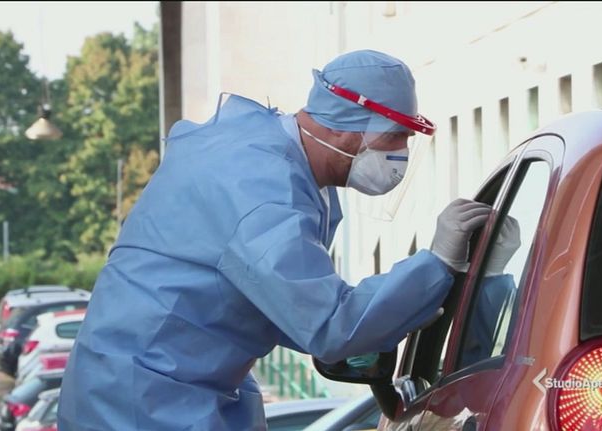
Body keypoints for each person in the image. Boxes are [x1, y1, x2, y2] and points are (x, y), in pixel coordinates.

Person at [57, 50, 516, 430]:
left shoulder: (270, 160)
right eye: (394, 136)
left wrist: (411, 303)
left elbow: (287, 308)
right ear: (343, 126)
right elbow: (330, 325)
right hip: (144, 399)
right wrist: (437, 262)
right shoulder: (262, 191)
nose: (400, 154)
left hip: (162, 385)